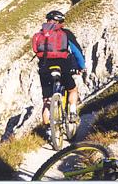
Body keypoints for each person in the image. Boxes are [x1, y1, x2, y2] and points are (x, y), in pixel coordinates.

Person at [32, 10, 86, 140]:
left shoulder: (40, 34)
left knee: (47, 100)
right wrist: (81, 67)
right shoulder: (65, 34)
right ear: (61, 22)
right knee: (72, 90)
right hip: (63, 66)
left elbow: (35, 50)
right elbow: (76, 52)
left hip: (45, 67)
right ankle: (72, 112)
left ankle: (49, 131)